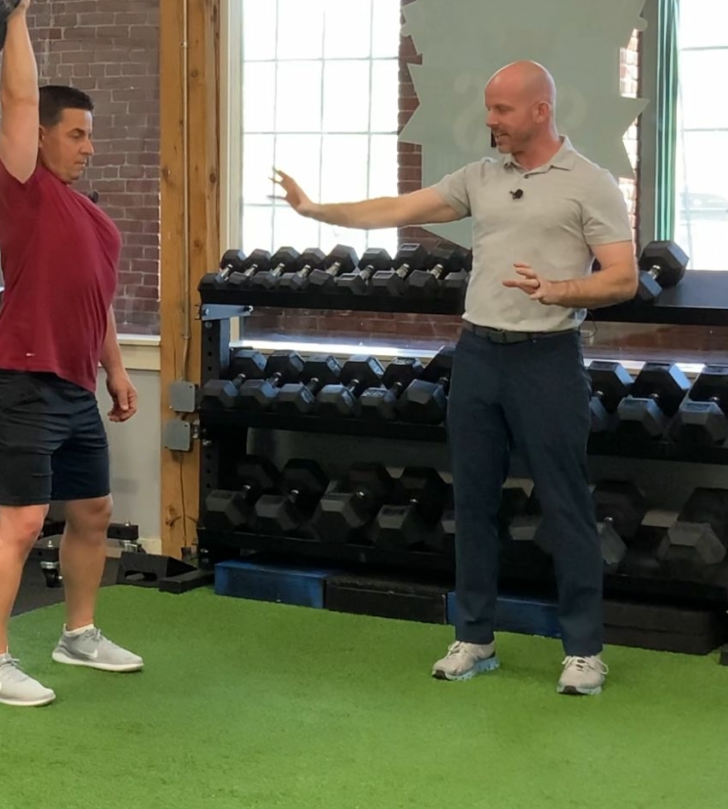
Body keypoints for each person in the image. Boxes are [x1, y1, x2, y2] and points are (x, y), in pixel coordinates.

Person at [272, 60, 638, 696]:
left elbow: (622, 277)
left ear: (541, 111)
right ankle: (475, 637)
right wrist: (314, 210)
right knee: (471, 502)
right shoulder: (480, 178)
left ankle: (583, 650)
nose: (490, 121)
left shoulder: (590, 182)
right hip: (478, 357)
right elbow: (398, 207)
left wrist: (559, 290)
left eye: (502, 110)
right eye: (489, 108)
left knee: (566, 504)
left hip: (547, 360)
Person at [0, 0, 143, 708]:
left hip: (73, 385)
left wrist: (118, 372)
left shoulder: (91, 219)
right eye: (77, 133)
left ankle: (79, 633)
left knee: (91, 511)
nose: (88, 147)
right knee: (23, 521)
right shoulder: (23, 189)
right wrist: (20, 19)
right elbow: (20, 100)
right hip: (20, 379)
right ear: (39, 139)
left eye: (90, 135)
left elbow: (96, 304)